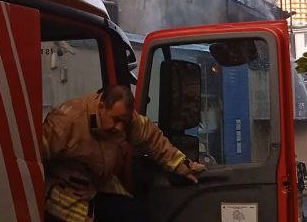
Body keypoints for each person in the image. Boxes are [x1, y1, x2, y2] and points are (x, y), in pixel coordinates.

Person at [41, 85, 206, 222]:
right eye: (116, 120)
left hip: (96, 185)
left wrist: (182, 166)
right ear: (101, 108)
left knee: (135, 214)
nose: (120, 127)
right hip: (62, 193)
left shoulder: (126, 119)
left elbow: (152, 138)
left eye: (124, 122)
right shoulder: (67, 122)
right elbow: (32, 157)